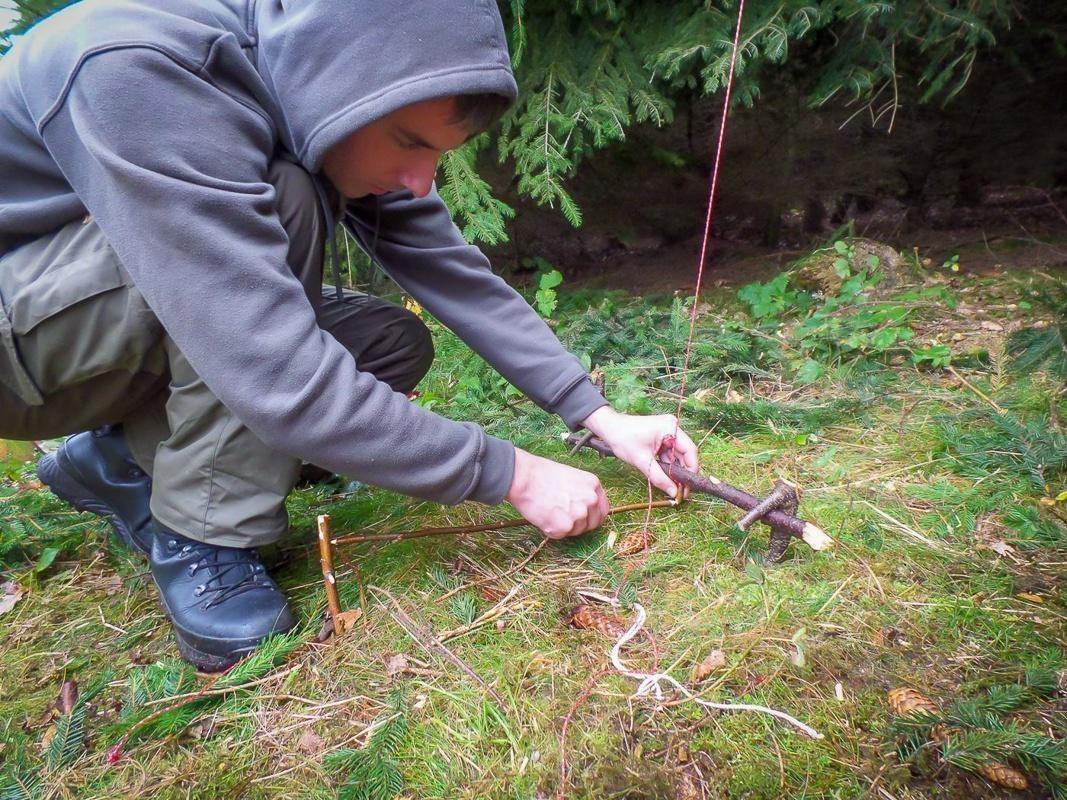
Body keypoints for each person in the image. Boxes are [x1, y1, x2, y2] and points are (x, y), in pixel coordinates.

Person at [0, 0, 699, 671]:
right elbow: (278, 374)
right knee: (290, 200)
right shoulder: (141, 69)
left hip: (72, 320)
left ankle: (118, 462)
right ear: (335, 78)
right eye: (410, 143)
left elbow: (449, 269)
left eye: (439, 154)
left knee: (383, 342)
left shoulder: (304, 75)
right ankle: (201, 536)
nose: (420, 182)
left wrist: (597, 414)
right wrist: (512, 474)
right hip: (14, 363)